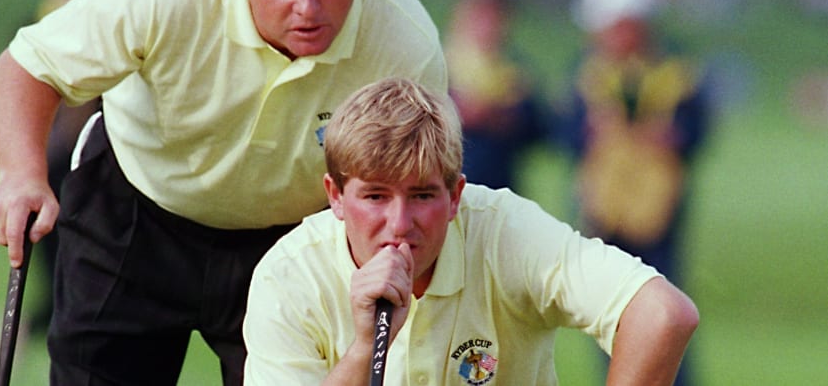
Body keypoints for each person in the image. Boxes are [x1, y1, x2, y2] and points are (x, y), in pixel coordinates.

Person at [0, 0, 448, 386]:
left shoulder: (404, 43)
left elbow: (417, 176)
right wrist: (20, 176)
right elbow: (30, 66)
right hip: (134, 213)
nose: (308, 7)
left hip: (293, 239)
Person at [243, 77, 699, 385]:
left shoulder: (504, 230)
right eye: (376, 197)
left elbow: (664, 315)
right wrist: (365, 347)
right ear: (336, 195)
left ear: (456, 194)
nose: (400, 225)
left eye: (422, 196)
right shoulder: (288, 277)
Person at [561, 0, 710, 385]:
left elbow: (697, 133)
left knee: (667, 308)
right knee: (606, 312)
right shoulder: (589, 72)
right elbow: (567, 135)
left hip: (657, 212)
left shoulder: (676, 72)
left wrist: (673, 137)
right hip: (604, 209)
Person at [444, 0, 547, 190]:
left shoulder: (515, 71)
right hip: (449, 179)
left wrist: (496, 117)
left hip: (499, 183)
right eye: (481, 17)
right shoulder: (441, 65)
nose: (488, 26)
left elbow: (537, 129)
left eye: (495, 18)